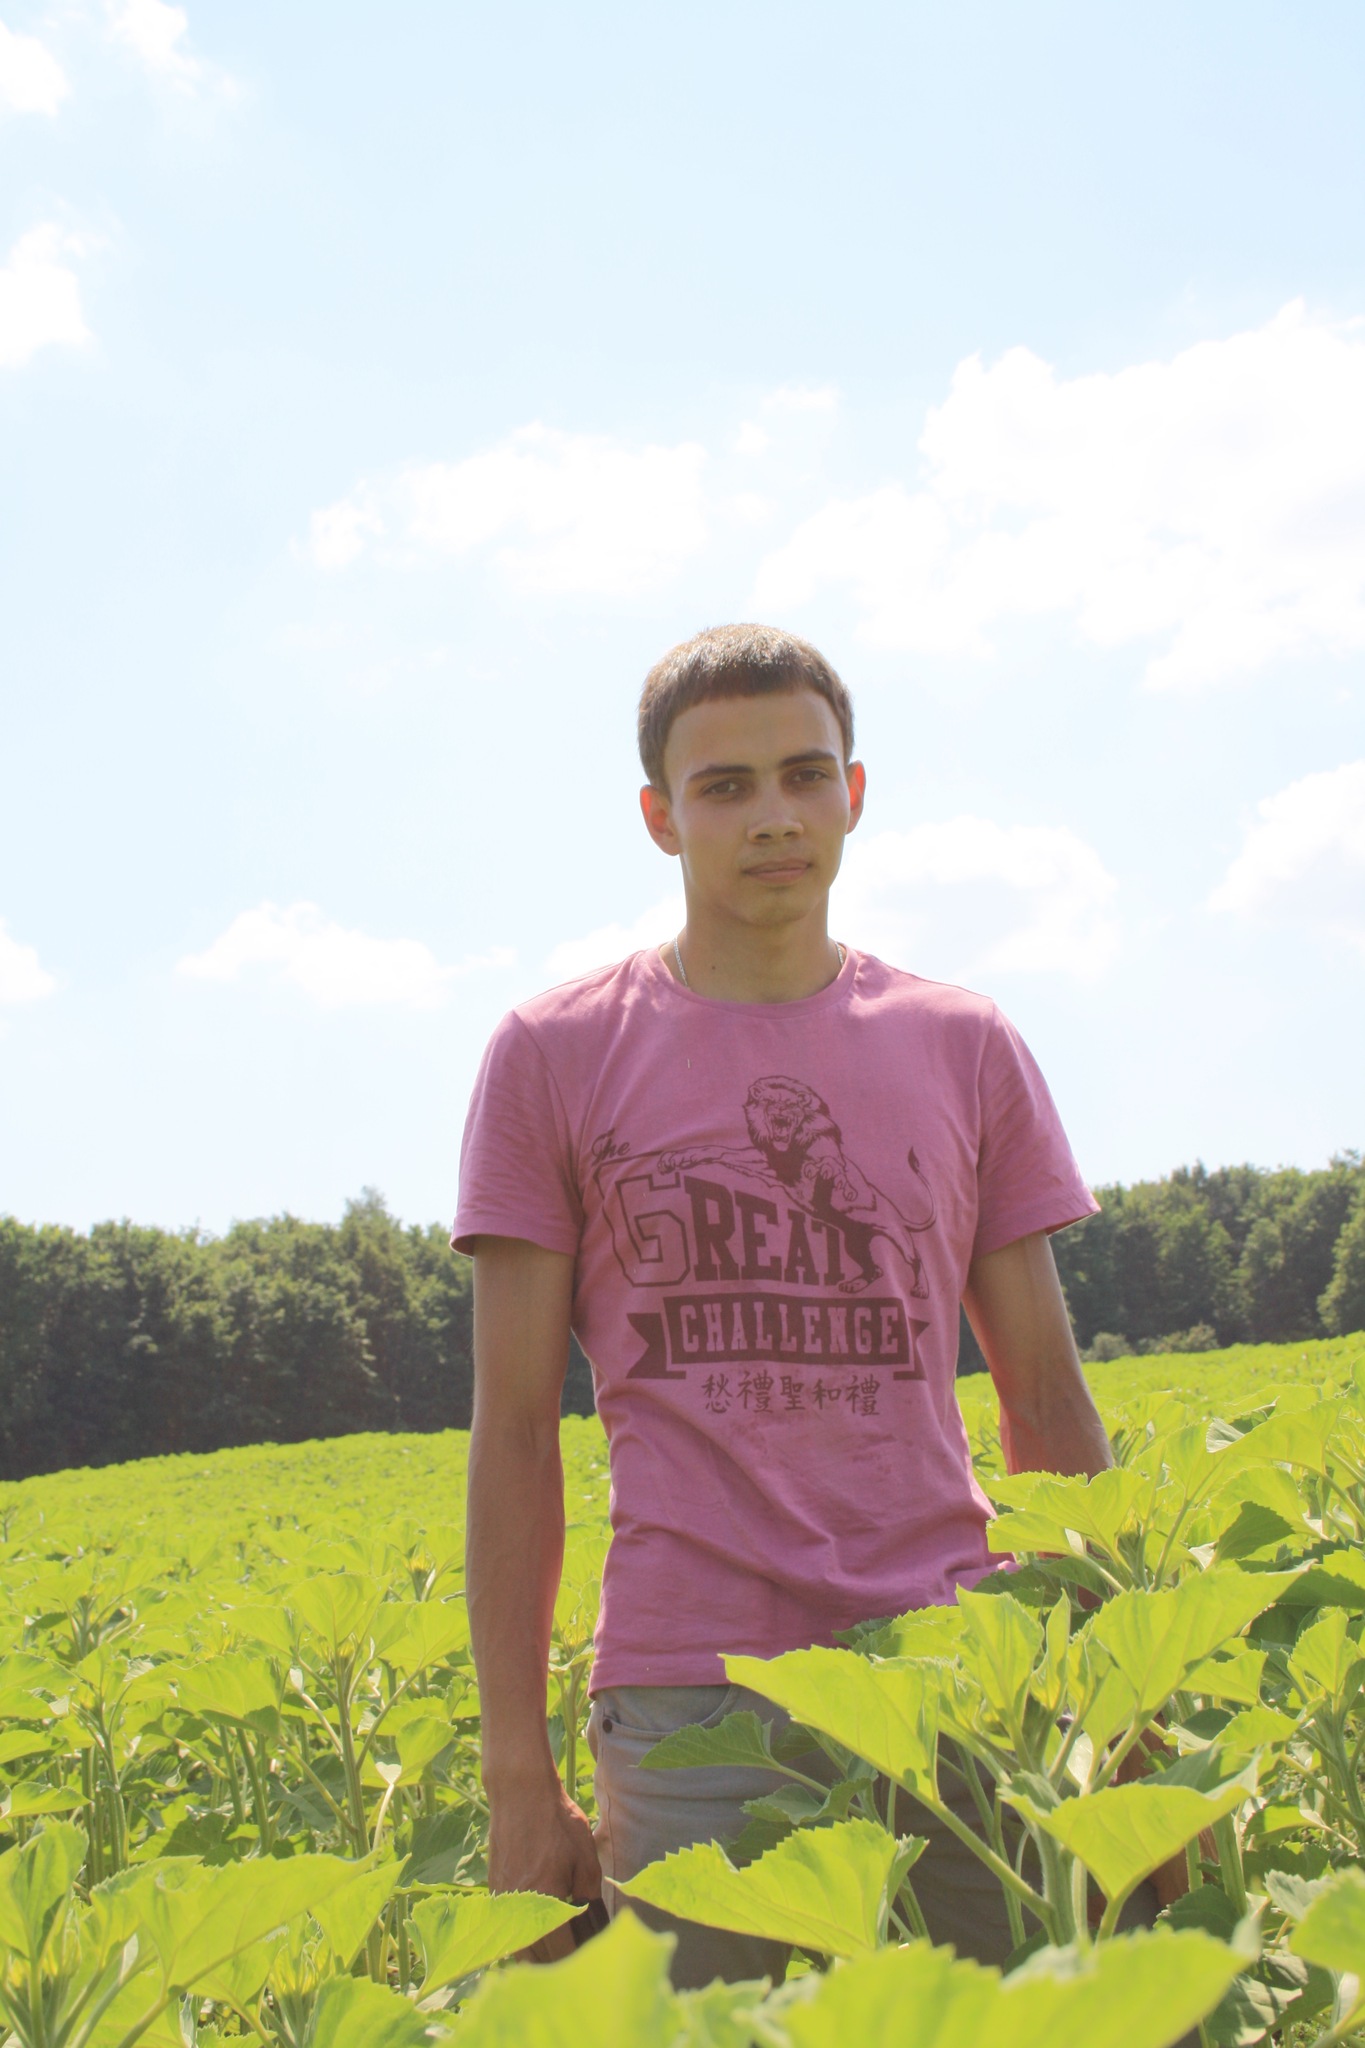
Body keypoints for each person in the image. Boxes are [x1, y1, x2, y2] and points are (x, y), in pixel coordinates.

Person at [453, 622, 1124, 1986]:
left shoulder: (963, 1044)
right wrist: (518, 1775)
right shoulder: (552, 1056)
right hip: (692, 1701)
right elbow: (513, 1433)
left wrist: (1122, 1709)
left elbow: (1046, 1398)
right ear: (660, 817)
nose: (774, 816)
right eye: (725, 787)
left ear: (853, 794)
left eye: (804, 775)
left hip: (956, 1670)